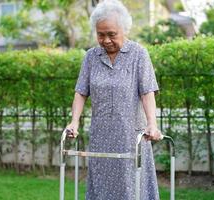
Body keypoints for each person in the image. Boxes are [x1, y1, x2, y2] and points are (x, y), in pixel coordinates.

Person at [65, 0, 162, 199]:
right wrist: (74, 121)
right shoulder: (91, 57)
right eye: (101, 34)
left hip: (131, 134)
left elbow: (147, 92)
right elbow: (81, 92)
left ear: (124, 30)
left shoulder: (138, 54)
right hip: (101, 136)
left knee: (131, 186)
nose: (106, 40)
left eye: (112, 34)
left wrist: (152, 124)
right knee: (102, 186)